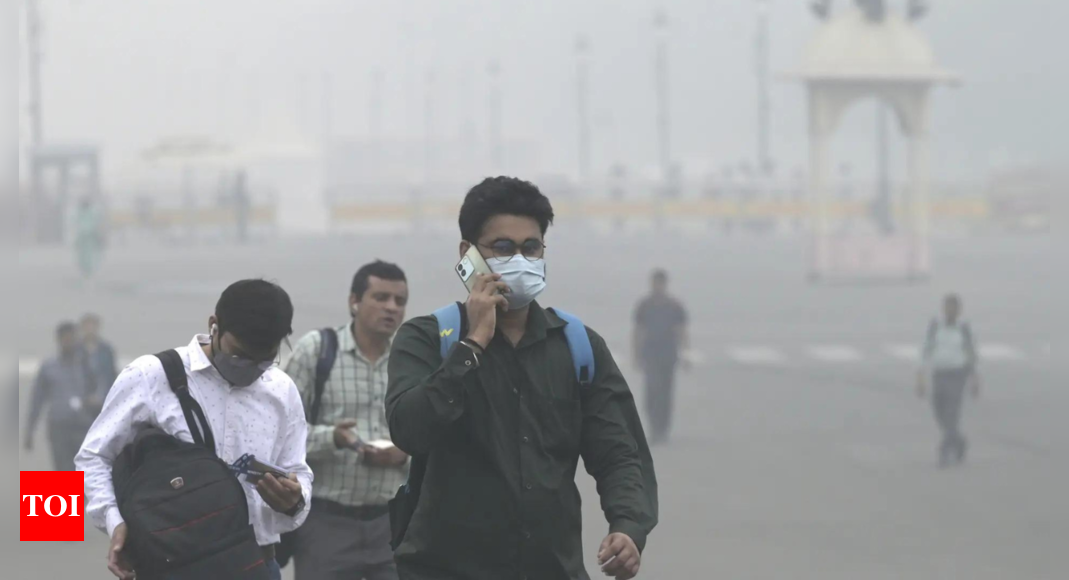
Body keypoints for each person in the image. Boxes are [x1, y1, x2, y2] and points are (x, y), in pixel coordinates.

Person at [386, 177, 658, 580]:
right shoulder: (427, 338)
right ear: (468, 255)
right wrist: (472, 344)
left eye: (531, 247)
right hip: (445, 568)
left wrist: (628, 527)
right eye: (503, 248)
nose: (519, 259)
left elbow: (619, 450)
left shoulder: (577, 346)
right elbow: (409, 430)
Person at [76, 279, 313, 580]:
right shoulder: (151, 375)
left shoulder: (281, 391)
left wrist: (295, 501)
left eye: (264, 360)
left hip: (256, 564)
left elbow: (298, 470)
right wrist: (113, 521)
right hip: (173, 565)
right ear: (214, 324)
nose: (250, 369)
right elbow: (92, 457)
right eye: (239, 355)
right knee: (47, 495)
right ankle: (46, 531)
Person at [283, 260, 410, 580]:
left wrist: (405, 453)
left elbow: (431, 434)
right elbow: (281, 435)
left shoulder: (408, 360)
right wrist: (334, 438)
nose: (391, 308)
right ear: (354, 301)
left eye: (399, 301)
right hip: (326, 524)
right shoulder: (318, 350)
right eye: (380, 298)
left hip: (392, 524)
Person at [24, 321, 104, 471]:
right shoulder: (49, 367)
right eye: (65, 339)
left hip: (83, 425)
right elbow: (37, 400)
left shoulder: (87, 365)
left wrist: (94, 402)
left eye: (71, 338)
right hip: (58, 426)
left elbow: (101, 391)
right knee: (62, 473)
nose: (68, 342)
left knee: (85, 471)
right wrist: (30, 430)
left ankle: (82, 494)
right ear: (59, 340)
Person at [916, 293, 981, 468]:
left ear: (959, 310)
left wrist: (975, 378)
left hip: (958, 374)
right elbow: (925, 351)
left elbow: (971, 354)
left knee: (952, 413)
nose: (950, 310)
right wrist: (920, 376)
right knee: (939, 411)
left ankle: (945, 450)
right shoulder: (935, 326)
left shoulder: (964, 328)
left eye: (953, 307)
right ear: (943, 308)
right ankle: (958, 441)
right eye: (947, 307)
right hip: (939, 374)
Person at [632, 269, 689, 445]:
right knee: (652, 391)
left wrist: (685, 354)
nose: (657, 286)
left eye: (660, 283)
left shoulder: (674, 306)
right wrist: (636, 354)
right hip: (651, 355)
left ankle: (663, 429)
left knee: (666, 393)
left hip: (669, 355)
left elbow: (681, 331)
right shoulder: (644, 305)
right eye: (655, 282)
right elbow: (638, 331)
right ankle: (654, 427)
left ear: (665, 284)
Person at [80, 313, 119, 397]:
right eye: (87, 327)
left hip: (103, 395)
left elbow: (110, 373)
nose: (90, 330)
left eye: (92, 326)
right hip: (83, 395)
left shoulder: (106, 350)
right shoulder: (77, 350)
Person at [74, 196, 104, 281]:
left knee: (87, 255)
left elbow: (95, 224)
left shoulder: (90, 213)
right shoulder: (82, 213)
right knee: (85, 255)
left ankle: (88, 270)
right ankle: (86, 270)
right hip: (85, 237)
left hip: (88, 236)